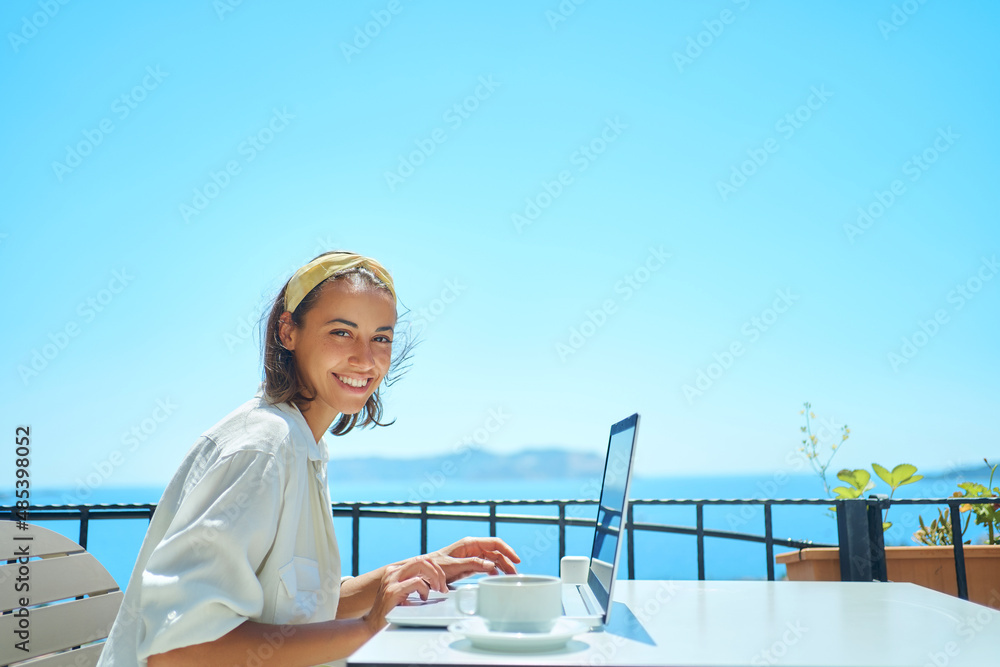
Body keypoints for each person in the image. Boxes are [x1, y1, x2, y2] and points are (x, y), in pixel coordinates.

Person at [98, 251, 520, 667]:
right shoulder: (263, 448)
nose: (365, 358)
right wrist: (367, 629)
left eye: (381, 338)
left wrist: (413, 571)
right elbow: (180, 653)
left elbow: (301, 609)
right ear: (288, 331)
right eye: (341, 332)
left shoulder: (300, 443)